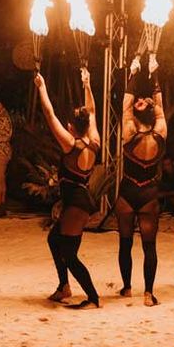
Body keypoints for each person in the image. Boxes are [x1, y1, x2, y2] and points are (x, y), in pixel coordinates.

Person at [35, 68, 102, 310]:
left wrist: (42, 87)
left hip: (77, 204)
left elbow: (49, 113)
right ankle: (64, 287)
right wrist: (87, 84)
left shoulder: (70, 144)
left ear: (71, 127)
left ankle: (93, 298)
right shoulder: (94, 141)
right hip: (78, 200)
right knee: (54, 239)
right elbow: (92, 111)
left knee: (70, 254)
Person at [116, 53, 168, 307]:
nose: (138, 101)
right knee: (149, 245)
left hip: (128, 192)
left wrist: (134, 73)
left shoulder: (128, 130)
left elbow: (125, 103)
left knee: (125, 242)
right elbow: (159, 107)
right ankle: (148, 294)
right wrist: (155, 73)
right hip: (149, 193)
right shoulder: (160, 131)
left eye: (140, 103)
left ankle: (127, 288)